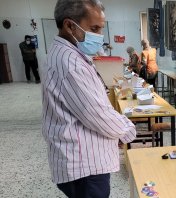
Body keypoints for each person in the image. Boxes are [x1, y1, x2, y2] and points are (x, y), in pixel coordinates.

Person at [42, 0, 136, 197]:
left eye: (101, 29)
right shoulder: (69, 62)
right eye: (94, 28)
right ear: (69, 25)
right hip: (84, 165)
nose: (99, 36)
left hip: (84, 161)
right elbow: (96, 113)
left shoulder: (71, 54)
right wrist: (126, 130)